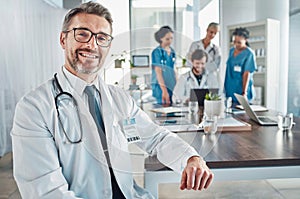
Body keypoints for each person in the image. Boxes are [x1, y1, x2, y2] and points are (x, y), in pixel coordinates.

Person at [11, 2, 213, 198]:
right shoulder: (34, 108)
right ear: (63, 40)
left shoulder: (119, 99)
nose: (92, 45)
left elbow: (155, 138)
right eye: (82, 34)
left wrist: (190, 157)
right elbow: (46, 191)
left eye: (102, 37)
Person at [224, 27, 257, 104]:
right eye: (234, 42)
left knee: (242, 114)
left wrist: (244, 93)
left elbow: (246, 73)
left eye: (239, 42)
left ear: (245, 40)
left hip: (241, 90)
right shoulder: (231, 51)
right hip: (230, 89)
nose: (236, 45)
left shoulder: (249, 53)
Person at [151, 26, 176, 105]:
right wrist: (164, 91)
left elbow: (174, 70)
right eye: (167, 39)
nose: (170, 41)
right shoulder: (156, 52)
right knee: (162, 111)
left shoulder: (172, 51)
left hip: (171, 84)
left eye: (171, 38)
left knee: (173, 112)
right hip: (160, 87)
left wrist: (177, 87)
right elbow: (158, 72)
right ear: (161, 38)